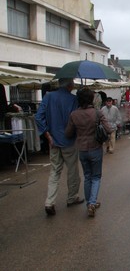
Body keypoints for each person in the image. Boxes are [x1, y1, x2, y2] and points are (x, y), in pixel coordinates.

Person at [35, 78, 83, 216]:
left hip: (53, 141)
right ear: (70, 85)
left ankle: (49, 202)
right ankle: (72, 197)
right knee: (72, 171)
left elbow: (38, 117)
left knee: (54, 172)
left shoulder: (48, 96)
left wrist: (48, 135)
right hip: (69, 141)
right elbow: (76, 121)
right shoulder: (74, 99)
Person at [65, 88, 112, 217]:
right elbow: (108, 129)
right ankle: (92, 202)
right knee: (96, 176)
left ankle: (89, 204)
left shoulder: (74, 114)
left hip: (82, 149)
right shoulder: (97, 113)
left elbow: (68, 133)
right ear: (91, 99)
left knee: (87, 176)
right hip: (95, 148)